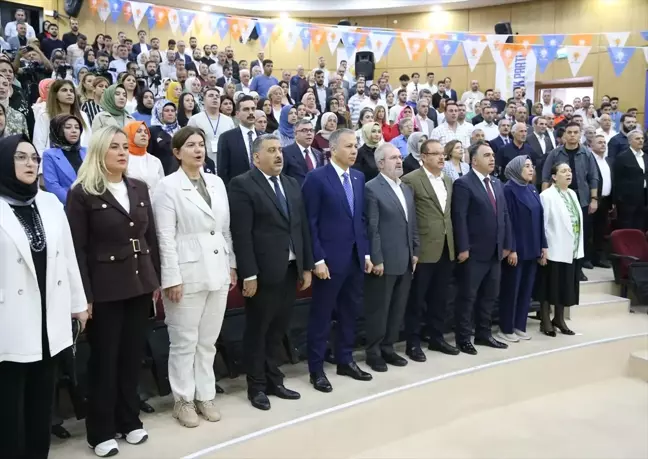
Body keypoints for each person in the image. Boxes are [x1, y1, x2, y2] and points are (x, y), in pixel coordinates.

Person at [66, 126, 161, 457]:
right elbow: (76, 250)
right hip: (104, 289)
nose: (122, 152)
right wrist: (84, 296)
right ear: (99, 152)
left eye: (125, 146)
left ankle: (129, 419)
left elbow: (150, 240)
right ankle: (101, 430)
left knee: (131, 357)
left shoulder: (139, 187)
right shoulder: (83, 193)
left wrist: (155, 281)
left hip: (138, 284)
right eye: (114, 147)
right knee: (104, 362)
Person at [0, 134, 87, 459]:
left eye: (34, 158)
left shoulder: (50, 203)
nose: (30, 163)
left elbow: (68, 257)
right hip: (8, 322)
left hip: (48, 321)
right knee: (9, 409)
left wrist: (78, 305)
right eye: (20, 157)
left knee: (40, 404)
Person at [152, 126, 236, 427]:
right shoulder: (166, 187)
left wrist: (232, 264)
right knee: (184, 340)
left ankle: (205, 395)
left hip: (218, 271)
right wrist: (171, 278)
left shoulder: (216, 182)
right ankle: (183, 400)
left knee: (207, 341)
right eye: (190, 145)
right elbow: (164, 236)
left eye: (201, 144)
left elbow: (224, 229)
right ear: (177, 152)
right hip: (186, 273)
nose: (198, 150)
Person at [228, 134, 313, 410]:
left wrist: (306, 266)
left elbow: (301, 229)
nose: (279, 155)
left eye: (280, 150)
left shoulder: (290, 183)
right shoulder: (242, 185)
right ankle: (257, 386)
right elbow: (242, 234)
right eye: (271, 150)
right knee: (258, 330)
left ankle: (275, 379)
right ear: (256, 157)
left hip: (289, 269)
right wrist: (248, 274)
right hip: (262, 274)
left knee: (278, 330)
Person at [302, 129, 373, 393]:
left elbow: (360, 220)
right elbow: (310, 223)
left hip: (355, 259)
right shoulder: (316, 179)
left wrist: (365, 253)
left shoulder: (358, 177)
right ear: (332, 149)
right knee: (321, 317)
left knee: (350, 313)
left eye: (356, 146)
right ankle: (316, 369)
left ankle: (345, 359)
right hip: (329, 262)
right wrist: (317, 259)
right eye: (348, 146)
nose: (354, 150)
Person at [452, 141, 512, 355]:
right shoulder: (464, 183)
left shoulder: (496, 183)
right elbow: (459, 218)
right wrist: (463, 247)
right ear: (474, 160)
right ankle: (463, 338)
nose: (492, 158)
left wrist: (507, 244)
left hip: (495, 251)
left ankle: (484, 334)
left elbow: (504, 216)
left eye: (493, 155)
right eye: (487, 155)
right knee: (468, 297)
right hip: (474, 252)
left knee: (489, 296)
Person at [364, 143, 419, 372]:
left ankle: (389, 348)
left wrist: (415, 251)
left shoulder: (405, 188)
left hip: (406, 258)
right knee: (380, 309)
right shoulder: (372, 188)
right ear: (380, 164)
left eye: (400, 157)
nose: (399, 161)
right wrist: (377, 259)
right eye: (393, 158)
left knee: (397, 308)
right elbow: (372, 228)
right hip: (384, 261)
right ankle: (373, 352)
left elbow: (412, 223)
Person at [401, 139, 458, 360]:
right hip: (423, 249)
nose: (441, 157)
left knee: (440, 297)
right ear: (423, 157)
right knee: (417, 299)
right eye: (436, 154)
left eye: (443, 154)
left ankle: (436, 337)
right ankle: (412, 342)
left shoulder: (447, 180)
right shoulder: (411, 180)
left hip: (446, 246)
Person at [498, 156, 547, 342]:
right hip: (517, 249)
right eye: (526, 166)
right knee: (512, 290)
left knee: (526, 290)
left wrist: (544, 246)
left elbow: (541, 219)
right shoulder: (509, 189)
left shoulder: (532, 188)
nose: (531, 169)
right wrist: (511, 248)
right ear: (516, 169)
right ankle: (506, 327)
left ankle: (520, 325)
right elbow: (508, 220)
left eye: (531, 166)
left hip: (533, 247)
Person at [541, 122, 598, 280]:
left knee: (581, 234)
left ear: (580, 134)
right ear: (564, 135)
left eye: (575, 132)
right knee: (562, 232)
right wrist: (544, 198)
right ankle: (559, 265)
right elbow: (546, 175)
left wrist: (594, 199)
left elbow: (593, 177)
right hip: (559, 198)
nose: (572, 135)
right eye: (569, 132)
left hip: (581, 198)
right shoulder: (555, 154)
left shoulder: (587, 153)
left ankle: (578, 268)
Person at [536, 163, 584, 336]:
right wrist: (543, 248)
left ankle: (559, 318)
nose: (568, 173)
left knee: (565, 285)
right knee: (550, 285)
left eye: (570, 170)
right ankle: (546, 321)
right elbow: (543, 224)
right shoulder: (546, 195)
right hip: (554, 248)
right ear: (554, 177)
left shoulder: (572, 193)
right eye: (563, 171)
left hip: (571, 248)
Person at [33, 80, 91, 155]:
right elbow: (39, 145)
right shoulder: (45, 115)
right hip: (53, 161)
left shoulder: (83, 115)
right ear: (55, 94)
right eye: (64, 90)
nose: (69, 93)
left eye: (71, 91)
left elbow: (88, 140)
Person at [216, 96, 262, 186]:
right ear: (237, 114)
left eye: (253, 109)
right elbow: (223, 171)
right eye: (246, 109)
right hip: (238, 190)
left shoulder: (264, 136)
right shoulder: (226, 138)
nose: (251, 112)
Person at [42, 114, 87, 204]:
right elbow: (52, 185)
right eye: (68, 127)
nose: (74, 131)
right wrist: (74, 203)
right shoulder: (49, 154)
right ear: (59, 130)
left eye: (77, 127)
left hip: (93, 204)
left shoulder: (87, 151)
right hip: (68, 206)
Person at [187, 88, 235, 163]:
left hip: (225, 162)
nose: (215, 98)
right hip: (203, 163)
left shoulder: (228, 120)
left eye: (217, 96)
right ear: (204, 100)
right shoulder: (195, 120)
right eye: (211, 95)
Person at [612, 130, 647, 230]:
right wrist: (618, 199)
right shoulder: (622, 157)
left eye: (642, 138)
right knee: (627, 225)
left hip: (644, 197)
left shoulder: (646, 157)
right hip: (627, 199)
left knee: (641, 225)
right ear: (630, 141)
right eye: (637, 139)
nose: (640, 141)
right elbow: (617, 180)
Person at [124, 121, 164, 194]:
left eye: (146, 132)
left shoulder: (155, 161)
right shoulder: (123, 158)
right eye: (139, 131)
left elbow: (162, 187)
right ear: (129, 134)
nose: (143, 134)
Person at [282, 119, 323, 186]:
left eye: (311, 130)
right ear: (295, 134)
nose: (309, 133)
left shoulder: (318, 154)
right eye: (304, 130)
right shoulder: (286, 152)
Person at [148, 99, 181, 175]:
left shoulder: (181, 130)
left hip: (179, 172)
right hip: (160, 172)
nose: (170, 113)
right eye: (166, 111)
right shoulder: (152, 131)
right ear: (159, 112)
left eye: (172, 111)